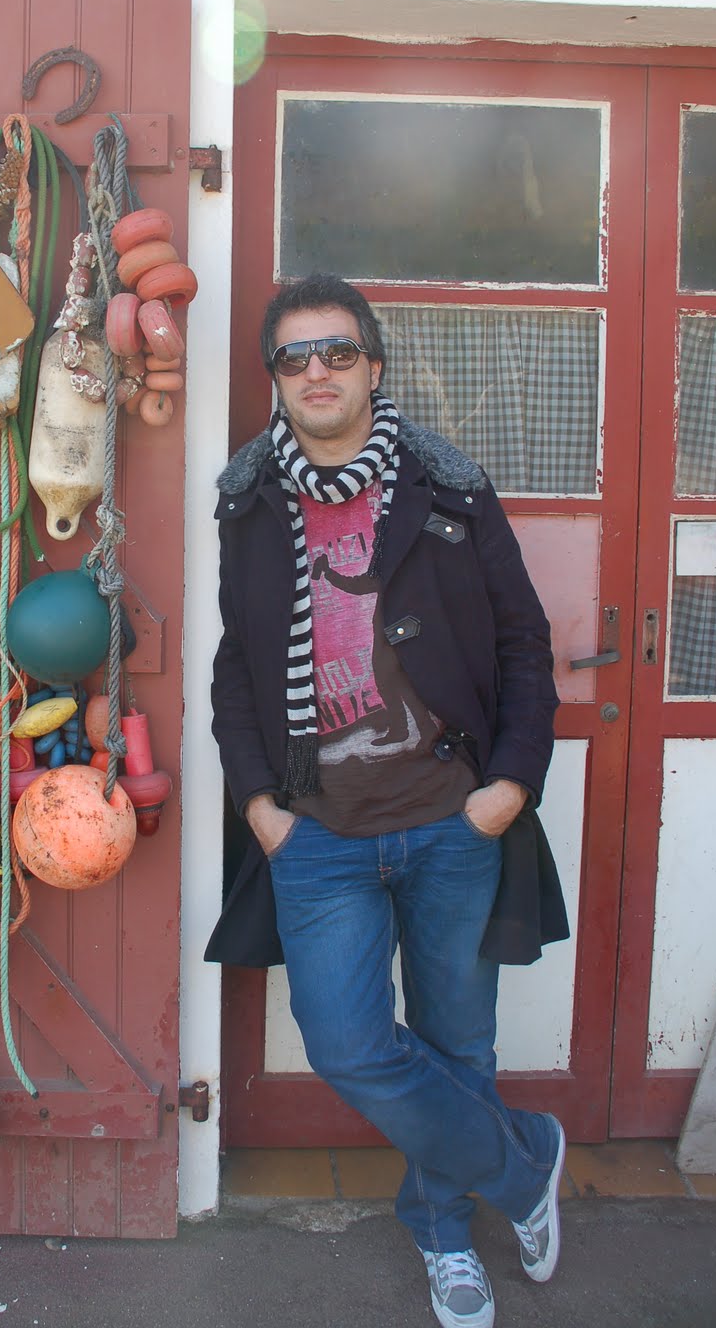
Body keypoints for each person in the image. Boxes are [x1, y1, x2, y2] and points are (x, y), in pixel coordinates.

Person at [207, 274, 570, 1328]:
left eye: (336, 351)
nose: (315, 371)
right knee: (348, 1044)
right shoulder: (248, 500)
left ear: (372, 365)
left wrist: (508, 785)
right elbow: (237, 666)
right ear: (275, 379)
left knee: (458, 1043)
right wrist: (259, 806)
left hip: (451, 821)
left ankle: (445, 1236)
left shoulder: (447, 485)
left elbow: (522, 642)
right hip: (317, 832)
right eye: (293, 357)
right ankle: (524, 1163)